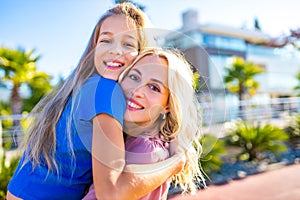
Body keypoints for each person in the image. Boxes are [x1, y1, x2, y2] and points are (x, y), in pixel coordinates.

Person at [6, 3, 185, 200]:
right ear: (94, 47)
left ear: (142, 53)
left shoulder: (82, 85)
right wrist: (175, 163)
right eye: (106, 40)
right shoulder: (105, 91)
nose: (116, 51)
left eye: (128, 44)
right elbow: (111, 193)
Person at [83, 48, 206, 200]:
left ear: (167, 106)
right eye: (134, 77)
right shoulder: (135, 140)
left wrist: (176, 162)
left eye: (154, 87)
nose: (137, 91)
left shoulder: (145, 150)